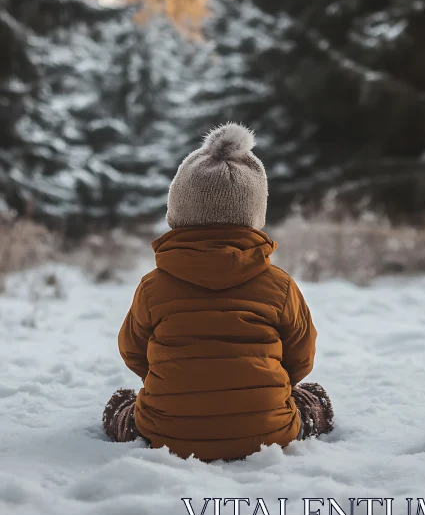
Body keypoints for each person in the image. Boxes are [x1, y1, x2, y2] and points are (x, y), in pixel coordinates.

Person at [103, 123, 333, 461]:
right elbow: (301, 357)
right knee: (312, 398)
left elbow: (133, 351)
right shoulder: (280, 285)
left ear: (178, 211)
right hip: (267, 434)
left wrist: (178, 383)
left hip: (168, 433)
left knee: (121, 404)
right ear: (254, 215)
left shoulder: (153, 287)